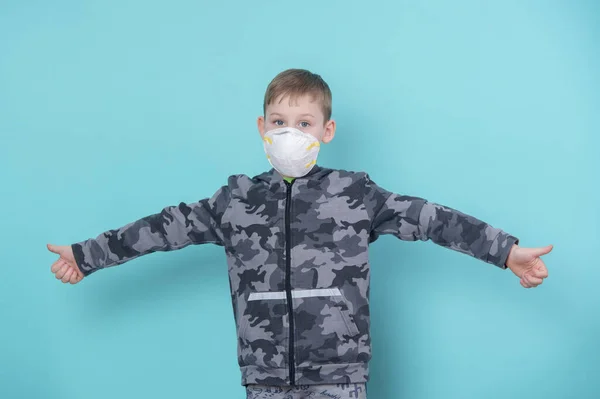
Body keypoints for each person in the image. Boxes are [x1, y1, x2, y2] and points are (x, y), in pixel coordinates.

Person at [47, 69, 552, 399]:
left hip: (340, 375)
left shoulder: (355, 194)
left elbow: (430, 218)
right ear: (262, 128)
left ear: (326, 130)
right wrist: (86, 255)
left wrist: (506, 252)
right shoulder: (235, 200)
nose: (291, 132)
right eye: (279, 121)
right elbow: (163, 228)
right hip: (263, 376)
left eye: (304, 122)